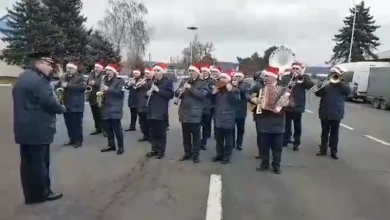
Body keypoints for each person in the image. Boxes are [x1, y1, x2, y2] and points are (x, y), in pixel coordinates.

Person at [13, 51, 65, 204]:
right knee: (40, 164)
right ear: (39, 63)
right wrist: (62, 109)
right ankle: (43, 193)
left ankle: (31, 195)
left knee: (28, 164)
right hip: (38, 130)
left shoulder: (24, 77)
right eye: (49, 64)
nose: (51, 68)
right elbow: (49, 102)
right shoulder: (38, 80)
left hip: (25, 129)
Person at [249, 66, 291, 174]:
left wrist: (287, 103)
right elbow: (248, 94)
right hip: (263, 120)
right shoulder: (259, 87)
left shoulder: (284, 89)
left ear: (274, 78)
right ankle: (264, 163)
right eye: (264, 76)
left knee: (277, 147)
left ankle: (276, 165)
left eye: (267, 76)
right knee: (264, 145)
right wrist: (252, 98)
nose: (265, 78)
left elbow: (293, 103)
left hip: (278, 123)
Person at [315, 66, 350, 159]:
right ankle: (323, 150)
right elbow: (316, 93)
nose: (333, 75)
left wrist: (339, 82)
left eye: (335, 74)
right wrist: (323, 83)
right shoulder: (326, 83)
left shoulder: (343, 83)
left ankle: (334, 152)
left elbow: (348, 92)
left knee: (335, 133)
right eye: (332, 73)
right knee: (324, 133)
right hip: (325, 111)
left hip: (336, 112)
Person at [175, 63, 208, 163]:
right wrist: (179, 91)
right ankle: (187, 153)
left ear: (197, 72)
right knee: (186, 136)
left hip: (195, 113)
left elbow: (202, 95)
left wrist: (191, 88)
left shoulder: (203, 83)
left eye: (193, 71)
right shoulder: (184, 81)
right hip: (184, 111)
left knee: (196, 136)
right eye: (189, 71)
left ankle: (195, 155)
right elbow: (176, 93)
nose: (191, 73)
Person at [281, 62, 314, 150]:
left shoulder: (304, 77)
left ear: (299, 70)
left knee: (297, 124)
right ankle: (285, 140)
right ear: (291, 69)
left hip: (298, 105)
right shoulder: (286, 77)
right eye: (293, 68)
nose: (295, 70)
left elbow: (309, 86)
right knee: (286, 124)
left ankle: (296, 142)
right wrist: (288, 86)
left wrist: (302, 77)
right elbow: (281, 88)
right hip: (287, 103)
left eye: (297, 69)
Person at [145, 63, 174, 159]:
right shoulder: (151, 82)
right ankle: (154, 149)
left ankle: (161, 151)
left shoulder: (167, 82)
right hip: (151, 110)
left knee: (161, 133)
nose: (156, 72)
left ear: (162, 72)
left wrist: (158, 90)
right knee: (153, 132)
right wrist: (147, 94)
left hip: (161, 111)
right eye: (155, 71)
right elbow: (146, 95)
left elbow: (170, 95)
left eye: (158, 71)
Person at [55, 62, 86, 148]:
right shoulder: (63, 77)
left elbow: (82, 88)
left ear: (75, 69)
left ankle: (78, 141)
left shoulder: (80, 78)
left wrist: (68, 85)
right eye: (67, 68)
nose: (69, 70)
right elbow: (57, 85)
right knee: (68, 124)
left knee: (77, 124)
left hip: (77, 105)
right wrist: (58, 89)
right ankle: (71, 139)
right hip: (66, 104)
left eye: (71, 68)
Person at [211, 70, 240, 164]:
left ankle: (226, 156)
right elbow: (211, 102)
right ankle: (219, 154)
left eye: (224, 78)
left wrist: (230, 91)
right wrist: (212, 94)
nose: (222, 79)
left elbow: (236, 102)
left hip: (228, 118)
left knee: (228, 140)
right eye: (221, 78)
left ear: (229, 79)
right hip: (218, 118)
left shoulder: (234, 89)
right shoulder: (218, 89)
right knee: (218, 139)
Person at [100, 64, 126, 155]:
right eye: (106, 70)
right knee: (108, 129)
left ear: (114, 72)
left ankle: (120, 147)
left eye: (110, 71)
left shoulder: (120, 81)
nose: (108, 72)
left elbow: (120, 93)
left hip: (115, 108)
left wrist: (108, 89)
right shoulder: (104, 80)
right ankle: (111, 145)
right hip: (105, 108)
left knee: (117, 129)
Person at [232, 71, 251, 150]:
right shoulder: (231, 85)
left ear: (242, 78)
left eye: (239, 76)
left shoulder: (246, 85)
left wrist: (238, 87)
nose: (238, 78)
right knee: (231, 128)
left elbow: (246, 94)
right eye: (236, 76)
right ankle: (232, 143)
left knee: (241, 129)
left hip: (241, 110)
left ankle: (239, 143)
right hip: (232, 109)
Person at [200, 64, 217, 150]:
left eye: (205, 71)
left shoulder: (212, 81)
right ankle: (198, 141)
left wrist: (206, 89)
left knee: (206, 125)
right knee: (197, 125)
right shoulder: (198, 80)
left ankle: (204, 142)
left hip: (207, 105)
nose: (203, 73)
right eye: (202, 71)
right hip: (198, 105)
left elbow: (214, 92)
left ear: (208, 72)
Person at [135, 67, 154, 142]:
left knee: (149, 122)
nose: (146, 75)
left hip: (148, 104)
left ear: (152, 73)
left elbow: (151, 89)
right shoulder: (143, 80)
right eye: (145, 73)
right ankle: (145, 135)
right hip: (140, 103)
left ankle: (151, 136)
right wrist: (137, 84)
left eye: (148, 73)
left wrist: (143, 84)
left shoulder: (153, 81)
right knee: (142, 122)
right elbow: (135, 89)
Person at [87, 62, 105, 135]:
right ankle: (98, 128)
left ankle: (105, 129)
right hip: (92, 96)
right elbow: (87, 82)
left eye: (98, 67)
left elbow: (103, 84)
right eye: (95, 67)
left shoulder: (103, 75)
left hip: (100, 96)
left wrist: (95, 83)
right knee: (95, 115)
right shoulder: (92, 74)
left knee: (101, 114)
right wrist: (88, 83)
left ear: (101, 68)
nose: (96, 69)